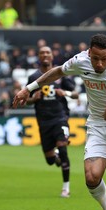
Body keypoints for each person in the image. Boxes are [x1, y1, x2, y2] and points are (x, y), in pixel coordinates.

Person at [12, 34, 106, 210]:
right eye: (95, 58)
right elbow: (56, 72)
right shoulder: (80, 60)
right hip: (98, 125)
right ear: (89, 53)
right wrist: (27, 89)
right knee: (91, 178)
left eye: (104, 59)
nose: (99, 63)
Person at [25, 46, 79, 197]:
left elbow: (75, 95)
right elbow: (26, 99)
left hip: (60, 117)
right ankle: (54, 156)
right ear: (38, 56)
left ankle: (66, 188)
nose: (45, 55)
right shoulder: (33, 77)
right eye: (42, 53)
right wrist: (32, 99)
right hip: (43, 121)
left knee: (63, 147)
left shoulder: (61, 74)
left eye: (47, 52)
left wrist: (66, 92)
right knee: (50, 161)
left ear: (52, 56)